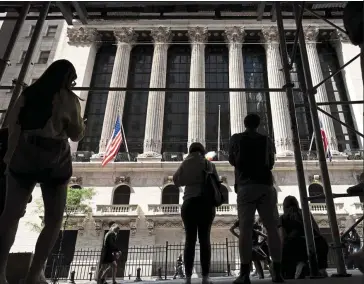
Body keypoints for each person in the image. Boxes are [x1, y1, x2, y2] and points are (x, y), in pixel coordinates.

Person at [0, 59, 85, 284]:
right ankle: (35, 274)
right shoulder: (68, 99)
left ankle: (0, 272)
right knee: (54, 219)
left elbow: (11, 124)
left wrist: (9, 157)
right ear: (67, 78)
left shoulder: (29, 94)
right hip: (54, 159)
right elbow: (76, 134)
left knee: (9, 217)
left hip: (23, 156)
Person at [228, 114, 283, 284]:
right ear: (258, 124)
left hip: (246, 186)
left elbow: (232, 160)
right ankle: (278, 272)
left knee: (245, 229)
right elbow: (271, 162)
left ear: (244, 124)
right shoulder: (266, 140)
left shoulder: (236, 138)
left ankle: (244, 274)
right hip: (265, 186)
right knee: (272, 229)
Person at [173, 142, 218, 284]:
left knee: (189, 241)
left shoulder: (185, 163)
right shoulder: (208, 164)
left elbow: (176, 181)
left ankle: (187, 278)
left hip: (189, 204)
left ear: (190, 151)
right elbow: (217, 182)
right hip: (205, 204)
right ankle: (205, 277)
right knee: (205, 240)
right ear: (202, 151)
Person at [278, 196, 329, 279]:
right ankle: (321, 269)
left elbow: (282, 237)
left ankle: (299, 264)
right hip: (314, 244)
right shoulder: (306, 214)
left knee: (286, 246)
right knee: (321, 241)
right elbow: (317, 231)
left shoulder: (282, 218)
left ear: (284, 206)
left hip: (294, 246)